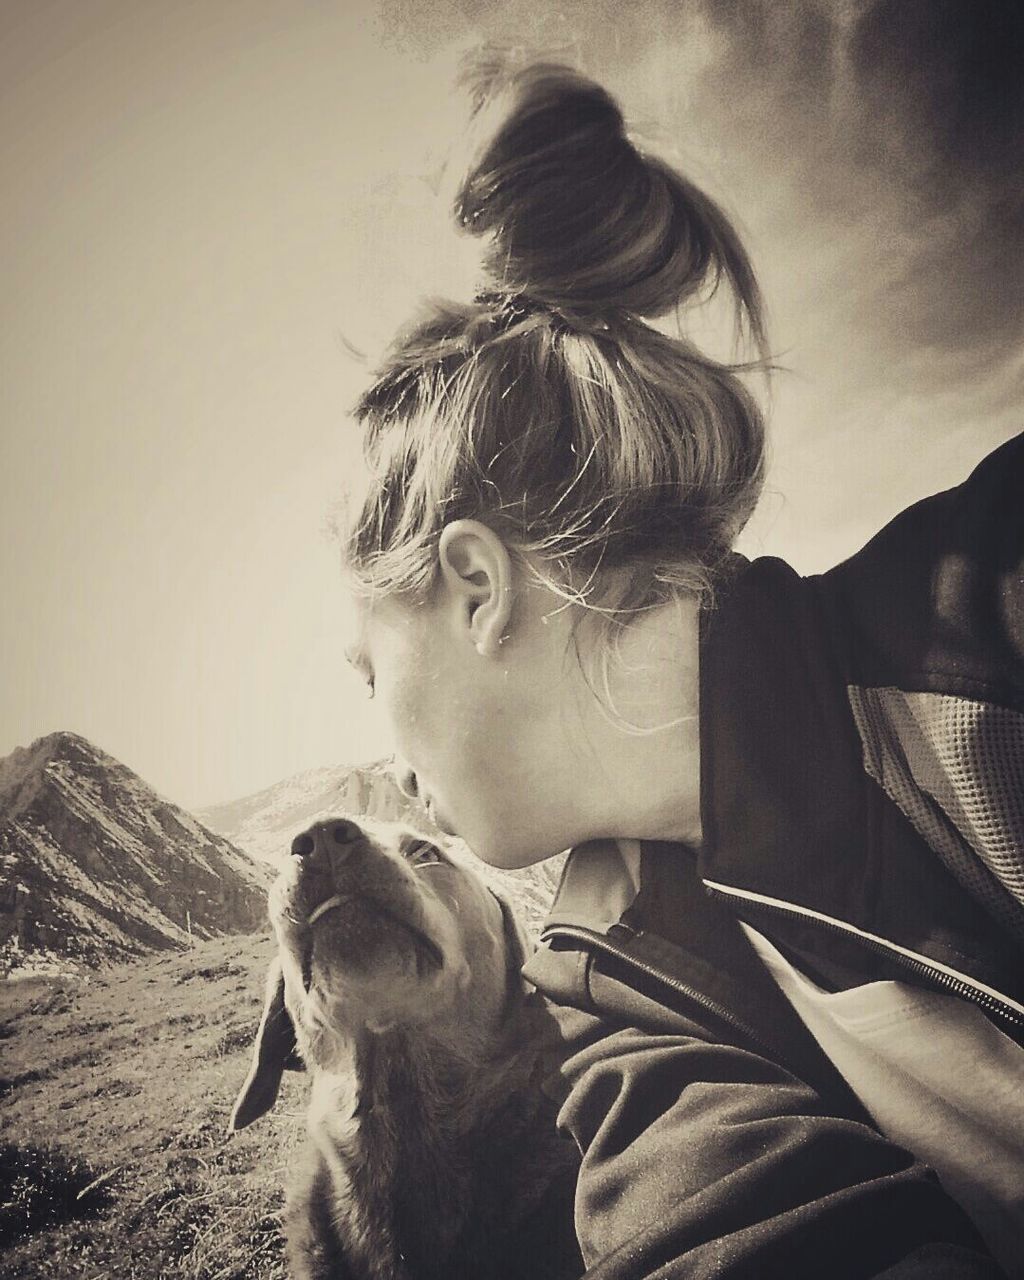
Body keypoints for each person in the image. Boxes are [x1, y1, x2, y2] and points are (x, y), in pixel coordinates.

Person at [338, 57, 1024, 1279]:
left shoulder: (987, 611)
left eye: (364, 665)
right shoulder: (610, 992)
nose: (381, 742)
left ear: (478, 589)